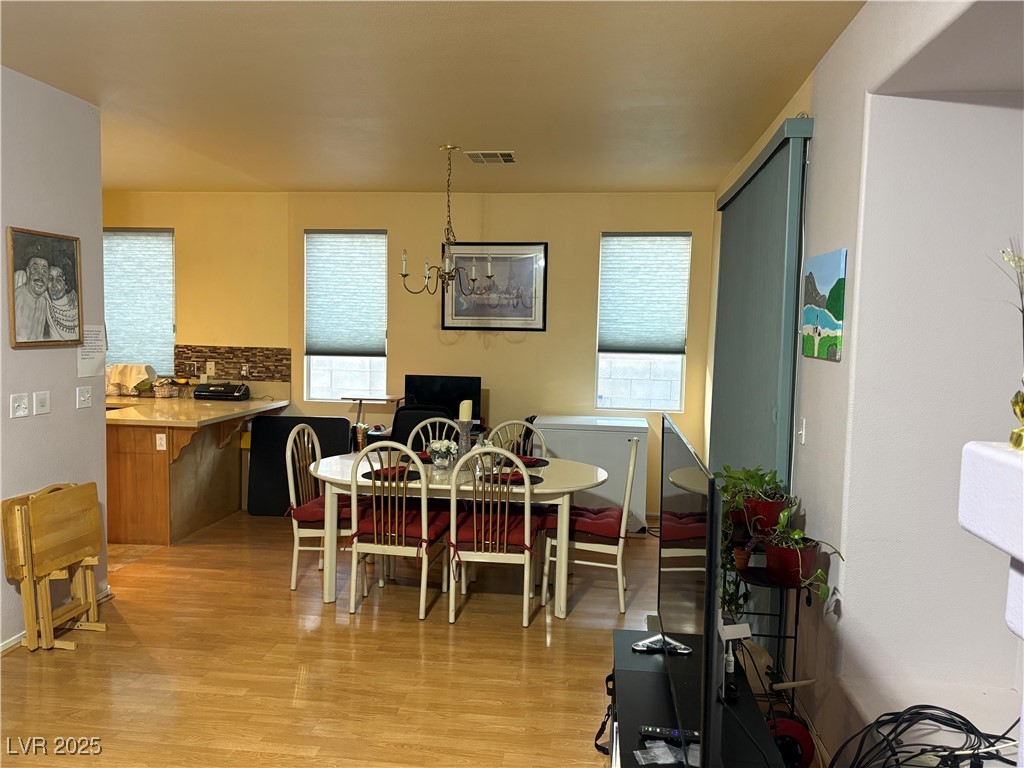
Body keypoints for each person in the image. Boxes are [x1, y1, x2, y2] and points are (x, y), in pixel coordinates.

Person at [13, 255, 50, 342]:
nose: (40, 275)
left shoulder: (45, 302)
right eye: (35, 269)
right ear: (28, 272)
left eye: (44, 271)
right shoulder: (15, 298)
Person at [45, 263, 79, 340]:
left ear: (66, 284)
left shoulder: (75, 302)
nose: (53, 285)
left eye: (58, 280)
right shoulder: (46, 298)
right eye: (50, 279)